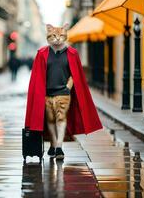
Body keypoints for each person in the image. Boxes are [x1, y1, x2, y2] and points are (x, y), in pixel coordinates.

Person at [24, 24, 103, 160]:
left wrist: (68, 87)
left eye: (61, 36)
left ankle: (59, 147)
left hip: (63, 93)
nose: (58, 39)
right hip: (47, 94)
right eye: (54, 36)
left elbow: (76, 74)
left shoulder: (72, 53)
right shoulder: (42, 53)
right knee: (50, 120)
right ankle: (53, 144)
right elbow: (37, 77)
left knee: (60, 118)